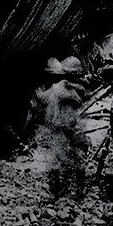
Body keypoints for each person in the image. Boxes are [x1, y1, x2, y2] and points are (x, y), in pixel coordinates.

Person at [32, 56, 94, 201]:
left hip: (64, 128)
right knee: (74, 160)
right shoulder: (73, 88)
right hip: (70, 127)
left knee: (60, 160)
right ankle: (76, 192)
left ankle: (59, 192)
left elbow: (44, 98)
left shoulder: (61, 88)